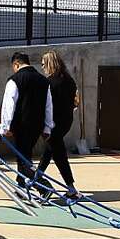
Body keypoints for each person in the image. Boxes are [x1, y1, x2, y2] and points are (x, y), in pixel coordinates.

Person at [0, 52, 54, 192]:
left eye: (14, 67)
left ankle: (43, 186)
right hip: (37, 126)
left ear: (16, 64)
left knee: (23, 159)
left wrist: (4, 127)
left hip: (21, 125)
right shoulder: (43, 80)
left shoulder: (15, 80)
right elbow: (49, 105)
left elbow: (8, 104)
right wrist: (48, 127)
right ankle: (21, 185)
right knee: (24, 155)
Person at [36, 51, 79, 199]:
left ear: (49, 63)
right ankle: (36, 179)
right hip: (66, 121)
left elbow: (44, 105)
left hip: (53, 123)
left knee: (59, 154)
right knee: (50, 151)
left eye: (43, 64)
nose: (42, 67)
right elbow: (75, 102)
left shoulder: (49, 83)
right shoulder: (69, 80)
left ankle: (70, 187)